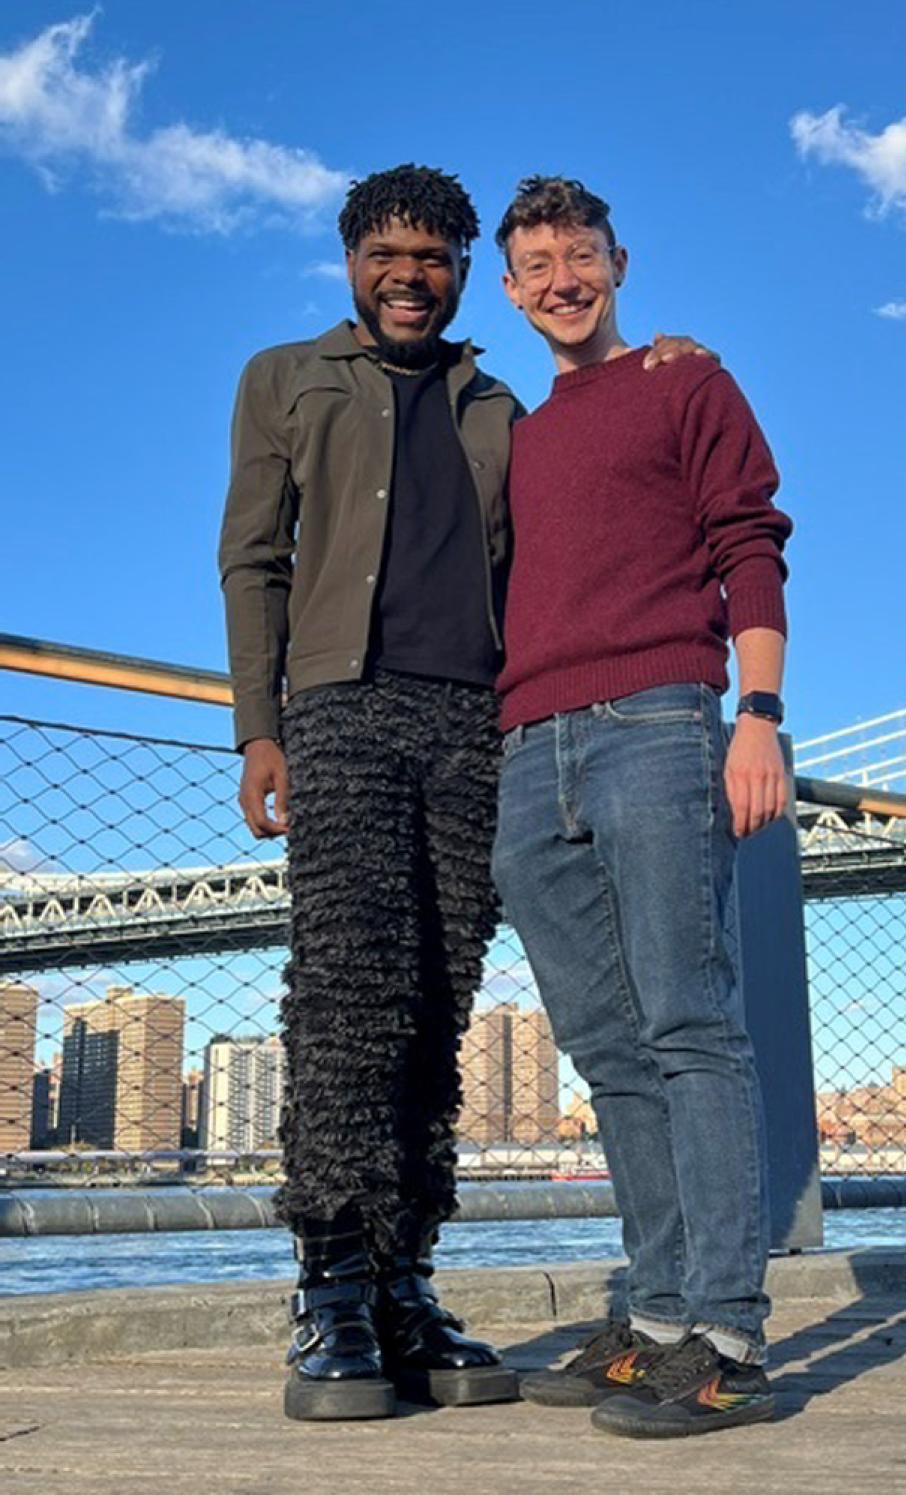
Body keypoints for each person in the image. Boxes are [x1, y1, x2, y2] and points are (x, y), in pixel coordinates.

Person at [218, 163, 707, 1422]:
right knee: (344, 992)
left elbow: (598, 443)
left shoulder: (499, 405)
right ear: (350, 261)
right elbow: (252, 562)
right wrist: (258, 731)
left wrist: (663, 363)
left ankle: (404, 1281)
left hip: (471, 724)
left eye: (432, 257)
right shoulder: (284, 378)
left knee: (437, 1003)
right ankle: (328, 1286)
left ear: (459, 272)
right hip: (337, 711)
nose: (408, 276)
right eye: (387, 252)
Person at [490, 176, 793, 1440]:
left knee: (688, 1023)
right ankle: (659, 1313)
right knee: (607, 1049)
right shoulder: (510, 432)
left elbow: (750, 542)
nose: (560, 278)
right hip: (522, 747)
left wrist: (757, 718)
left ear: (618, 262)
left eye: (580, 255)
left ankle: (724, 1333)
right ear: (508, 290)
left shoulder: (687, 383)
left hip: (658, 723)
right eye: (535, 264)